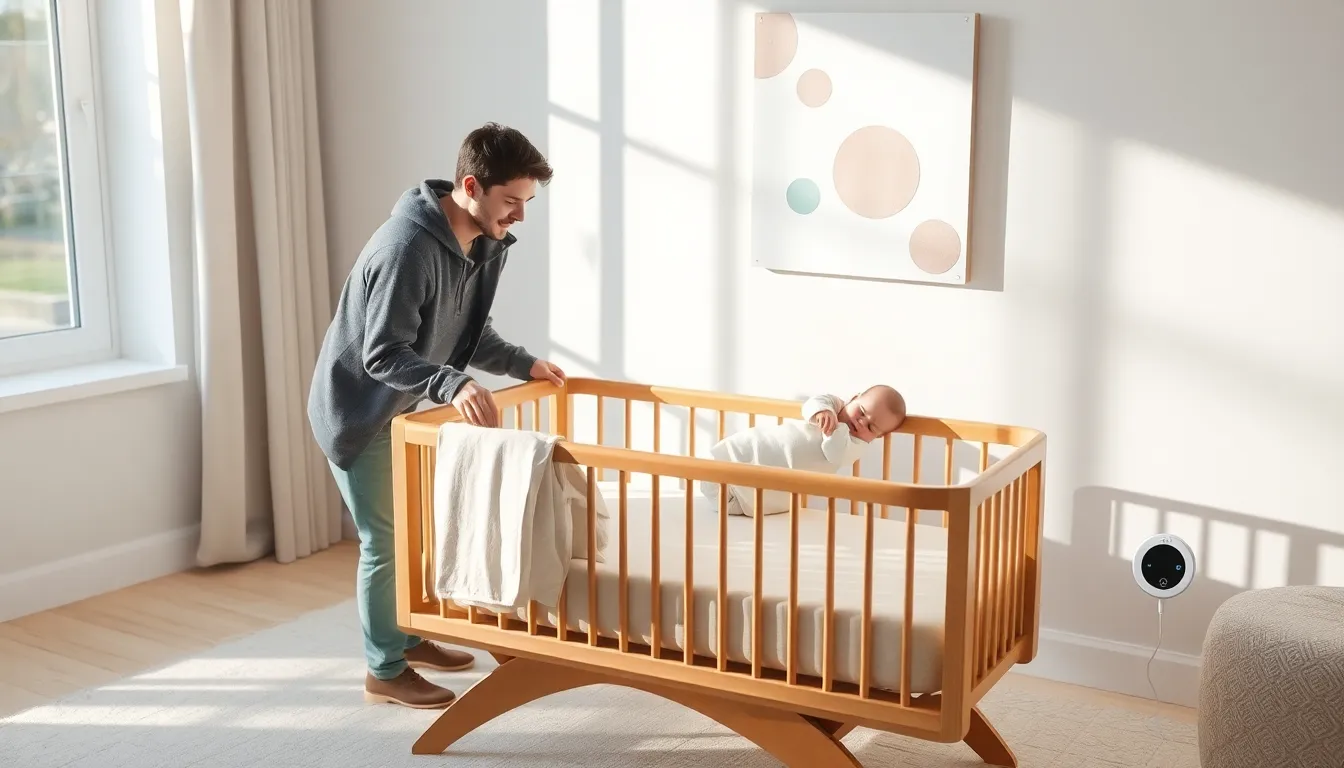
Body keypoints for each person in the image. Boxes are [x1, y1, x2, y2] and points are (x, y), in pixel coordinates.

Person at [307, 123, 566, 709]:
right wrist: (452, 384)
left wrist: (523, 364)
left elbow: (461, 332)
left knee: (416, 531)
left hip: (401, 410)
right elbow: (382, 353)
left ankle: (411, 634)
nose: (520, 216)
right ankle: (384, 669)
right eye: (511, 202)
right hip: (360, 412)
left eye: (526, 203)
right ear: (471, 185)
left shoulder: (479, 241)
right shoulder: (408, 248)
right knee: (386, 543)